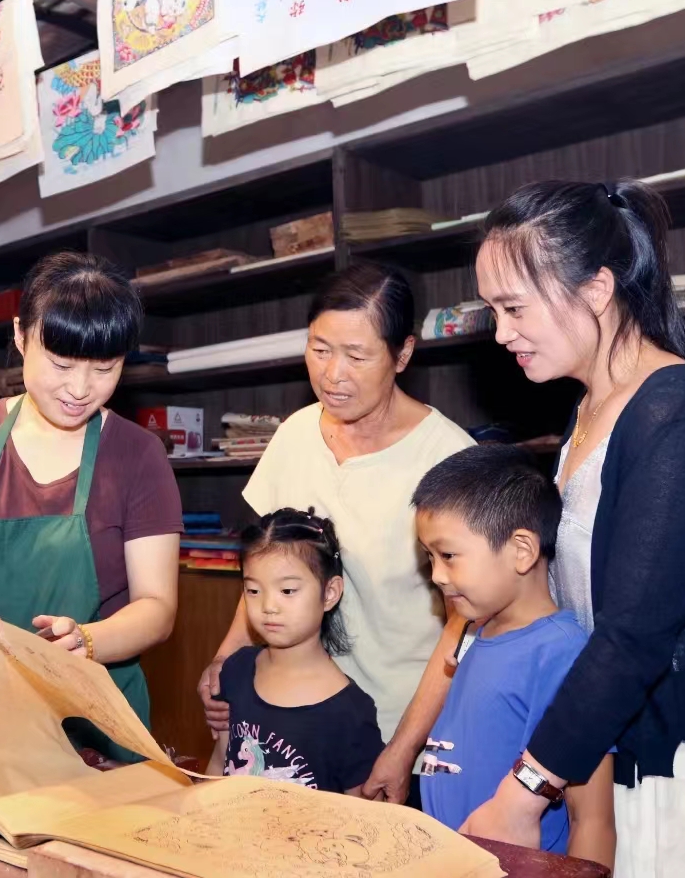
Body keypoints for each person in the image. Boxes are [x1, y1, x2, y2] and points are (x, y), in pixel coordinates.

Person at [463, 180, 685, 876]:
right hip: (593, 761)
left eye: (514, 307)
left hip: (658, 772)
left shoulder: (672, 410)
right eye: (493, 311)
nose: (501, 333)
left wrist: (525, 789)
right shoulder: (592, 405)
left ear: (596, 288)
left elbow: (634, 636)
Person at [199, 263, 475, 805]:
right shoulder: (295, 434)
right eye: (319, 349)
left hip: (396, 727)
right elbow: (269, 567)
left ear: (402, 354)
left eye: (356, 355)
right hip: (292, 719)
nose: (332, 374)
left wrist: (402, 749)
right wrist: (225, 658)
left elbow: (461, 629)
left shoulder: (449, 461)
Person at [0, 251, 182, 756]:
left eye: (104, 368)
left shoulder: (138, 455)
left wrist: (88, 641)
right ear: (20, 335)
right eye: (61, 364)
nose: (80, 389)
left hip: (100, 722)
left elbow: (157, 608)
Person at [413, 444, 615, 867]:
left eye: (448, 556)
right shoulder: (476, 631)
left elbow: (592, 819)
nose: (436, 575)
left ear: (521, 551)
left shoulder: (562, 653)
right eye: (429, 557)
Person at [207, 507, 384, 793]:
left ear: (330, 593)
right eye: (253, 591)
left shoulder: (350, 711)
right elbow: (218, 766)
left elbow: (363, 810)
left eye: (287, 591)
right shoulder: (236, 670)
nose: (268, 606)